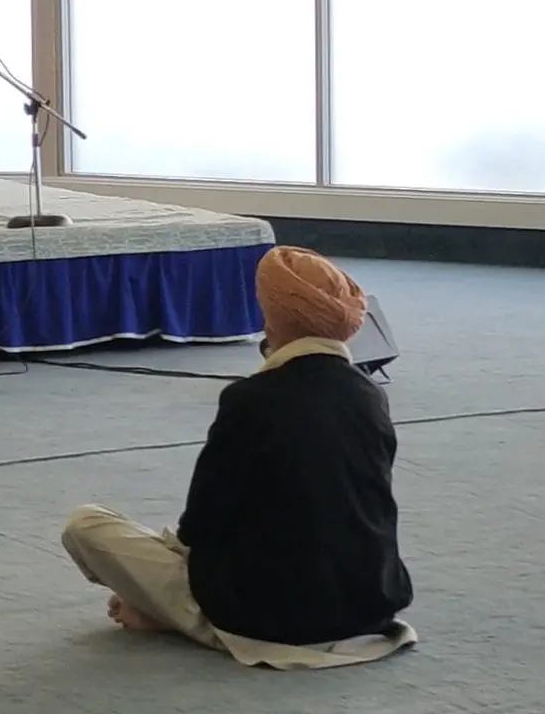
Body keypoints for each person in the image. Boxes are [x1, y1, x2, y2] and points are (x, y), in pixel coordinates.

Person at [62, 246, 415, 669]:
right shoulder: (370, 398)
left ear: (272, 318)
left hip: (266, 617)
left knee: (86, 524)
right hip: (368, 607)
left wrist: (152, 583)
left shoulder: (250, 400)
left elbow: (200, 525)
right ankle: (168, 607)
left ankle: (171, 614)